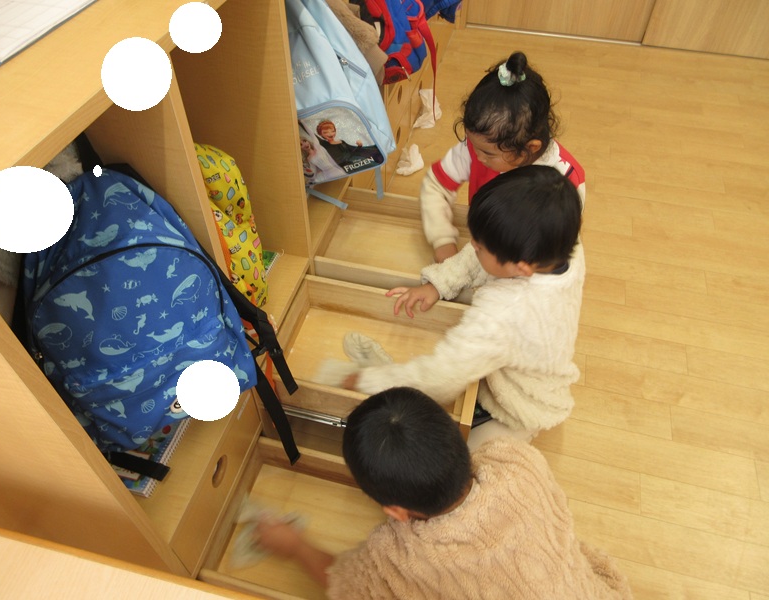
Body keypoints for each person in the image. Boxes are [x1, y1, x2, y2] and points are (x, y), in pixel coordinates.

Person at [255, 387, 633, 600]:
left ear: (396, 512)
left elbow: (344, 582)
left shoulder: (397, 559)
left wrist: (294, 545)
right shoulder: (518, 460)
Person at [322, 164, 584, 445]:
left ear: (521, 267)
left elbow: (439, 379)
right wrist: (438, 283)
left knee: (457, 460)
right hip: (515, 363)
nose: (472, 246)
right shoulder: (563, 248)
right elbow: (475, 256)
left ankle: (393, 379)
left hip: (520, 405)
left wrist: (368, 382)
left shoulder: (504, 314)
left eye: (480, 247)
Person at [421, 50, 585, 263]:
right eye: (472, 144)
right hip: (486, 250)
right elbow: (435, 185)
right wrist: (442, 239)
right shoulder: (479, 147)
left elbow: (558, 248)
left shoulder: (564, 181)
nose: (477, 156)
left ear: (530, 148)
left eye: (488, 153)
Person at [316, 119, 383, 170]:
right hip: (346, 165)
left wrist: (359, 146)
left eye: (333, 131)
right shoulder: (324, 145)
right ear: (320, 134)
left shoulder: (341, 141)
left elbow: (352, 152)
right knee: (370, 163)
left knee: (371, 151)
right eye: (326, 132)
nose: (330, 134)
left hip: (353, 160)